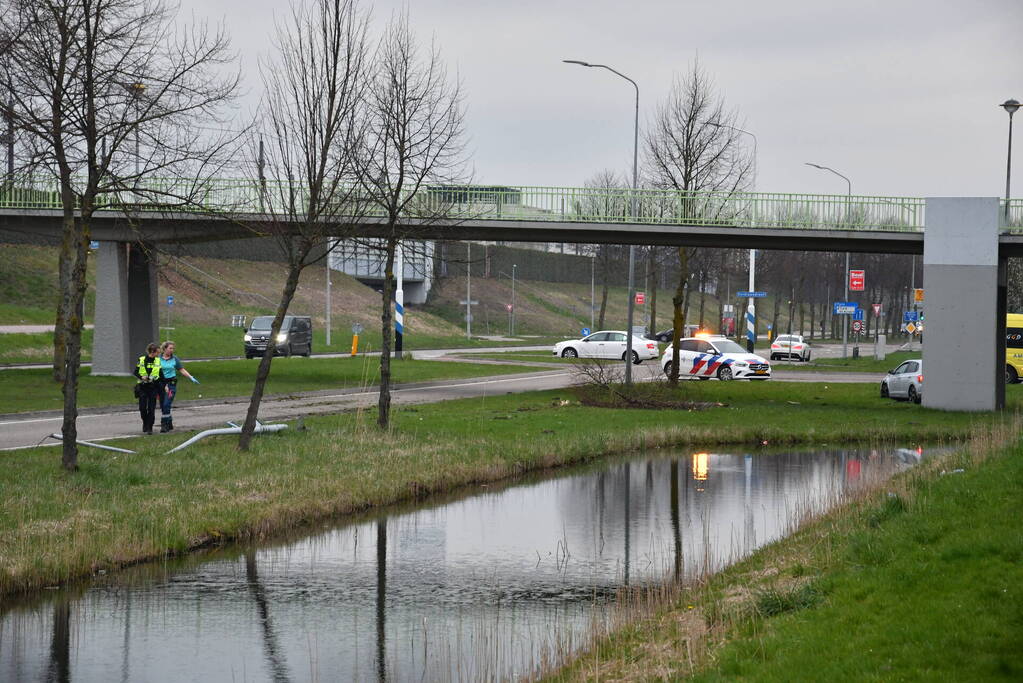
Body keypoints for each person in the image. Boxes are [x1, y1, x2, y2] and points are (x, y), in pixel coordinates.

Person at [157, 340, 198, 433]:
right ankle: (169, 422)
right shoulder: (158, 359)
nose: (172, 350)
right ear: (164, 349)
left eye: (173, 348)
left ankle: (164, 425)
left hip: (171, 384)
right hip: (161, 384)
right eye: (170, 348)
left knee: (167, 404)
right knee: (163, 405)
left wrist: (191, 377)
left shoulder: (174, 358)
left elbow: (181, 370)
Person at [134, 343, 162, 435]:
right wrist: (142, 377)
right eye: (157, 352)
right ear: (152, 352)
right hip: (142, 387)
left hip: (153, 387)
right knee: (142, 408)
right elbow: (135, 372)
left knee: (151, 408)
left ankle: (149, 427)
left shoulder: (158, 361)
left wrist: (165, 385)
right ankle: (145, 422)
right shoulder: (141, 359)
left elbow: (161, 374)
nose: (158, 354)